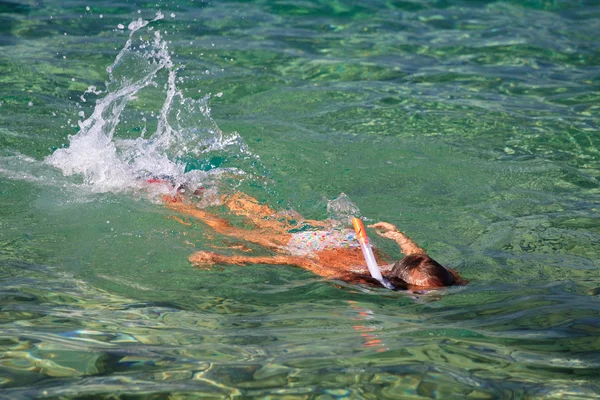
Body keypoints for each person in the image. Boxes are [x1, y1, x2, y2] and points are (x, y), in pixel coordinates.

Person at [164, 192, 467, 290]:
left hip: (344, 237)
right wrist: (228, 259)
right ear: (398, 283)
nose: (431, 298)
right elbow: (299, 260)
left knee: (267, 217)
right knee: (233, 233)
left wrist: (401, 236)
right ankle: (175, 198)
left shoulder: (441, 275)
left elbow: (419, 257)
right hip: (313, 245)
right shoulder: (368, 279)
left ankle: (218, 194)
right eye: (420, 294)